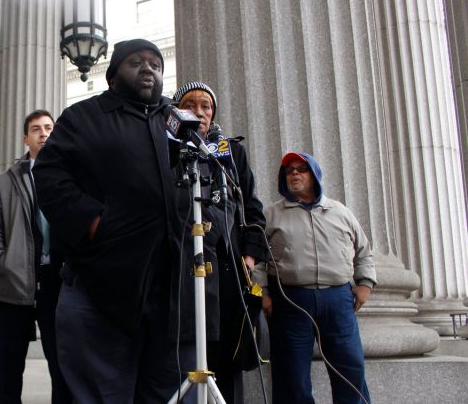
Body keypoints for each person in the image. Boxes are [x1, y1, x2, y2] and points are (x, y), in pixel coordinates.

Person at [33, 38, 195, 402]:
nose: (148, 68)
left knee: (165, 394)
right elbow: (49, 176)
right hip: (100, 288)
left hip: (169, 291)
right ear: (112, 76)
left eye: (155, 63)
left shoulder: (177, 122)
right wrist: (94, 223)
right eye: (136, 62)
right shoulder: (83, 117)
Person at [172, 81, 269, 403]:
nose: (199, 112)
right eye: (191, 105)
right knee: (186, 355)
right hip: (183, 271)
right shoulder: (169, 151)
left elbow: (252, 209)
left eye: (206, 106)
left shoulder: (232, 152)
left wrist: (250, 257)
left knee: (226, 362)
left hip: (227, 272)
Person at [261, 152, 375, 403]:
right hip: (291, 301)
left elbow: (364, 251)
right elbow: (257, 257)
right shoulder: (271, 214)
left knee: (350, 368)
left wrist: (365, 284)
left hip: (338, 299)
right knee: (292, 374)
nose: (294, 173)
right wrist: (263, 293)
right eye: (289, 170)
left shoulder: (341, 212)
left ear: (315, 175)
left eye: (301, 169)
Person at [0, 110, 71, 404]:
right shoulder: (2, 183)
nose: (43, 133)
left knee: (62, 367)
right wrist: (4, 262)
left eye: (48, 128)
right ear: (25, 138)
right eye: (36, 129)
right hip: (12, 282)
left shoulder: (70, 176)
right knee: (8, 371)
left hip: (56, 282)